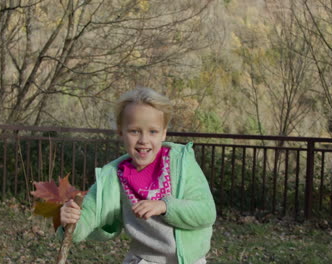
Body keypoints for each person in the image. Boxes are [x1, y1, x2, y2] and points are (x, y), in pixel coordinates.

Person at [59, 87, 216, 264]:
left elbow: (206, 212)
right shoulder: (113, 177)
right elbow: (88, 217)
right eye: (134, 131)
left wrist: (165, 206)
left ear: (164, 132)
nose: (143, 140)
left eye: (153, 131)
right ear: (121, 132)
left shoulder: (182, 164)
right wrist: (69, 221)